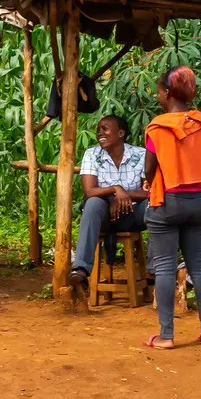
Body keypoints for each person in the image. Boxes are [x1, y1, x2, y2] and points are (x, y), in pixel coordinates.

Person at [141, 65, 201, 349]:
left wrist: (150, 183)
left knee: (165, 268)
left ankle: (166, 336)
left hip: (167, 200)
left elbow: (150, 167)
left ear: (166, 92)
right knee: (199, 266)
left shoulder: (158, 127)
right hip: (197, 200)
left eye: (159, 90)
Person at [66, 114, 147, 304]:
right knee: (93, 203)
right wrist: (114, 191)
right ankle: (81, 269)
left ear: (121, 133)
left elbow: (149, 192)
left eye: (105, 129)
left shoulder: (141, 155)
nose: (100, 132)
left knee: (156, 207)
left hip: (134, 213)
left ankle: (157, 269)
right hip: (104, 214)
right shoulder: (92, 154)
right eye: (99, 129)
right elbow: (89, 191)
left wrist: (124, 196)